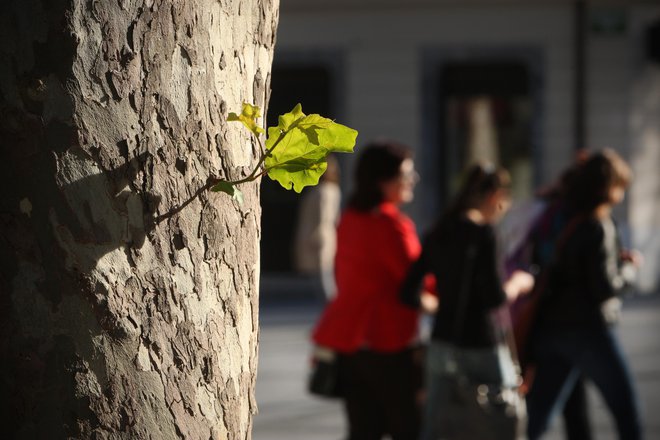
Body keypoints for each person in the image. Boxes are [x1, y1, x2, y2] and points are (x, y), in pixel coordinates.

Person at [400, 163, 534, 440]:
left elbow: (408, 291)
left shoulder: (439, 230)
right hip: (483, 343)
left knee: (439, 426)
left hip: (442, 341)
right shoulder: (485, 233)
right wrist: (519, 283)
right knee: (494, 422)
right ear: (496, 196)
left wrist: (438, 305)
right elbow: (494, 297)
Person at [525, 149, 643, 440]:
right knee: (626, 411)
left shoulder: (559, 214)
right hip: (588, 330)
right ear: (608, 188)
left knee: (538, 417)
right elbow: (603, 287)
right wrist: (629, 272)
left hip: (551, 327)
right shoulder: (596, 224)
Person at [311, 140, 426, 439]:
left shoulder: (350, 218)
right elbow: (417, 278)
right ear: (383, 180)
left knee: (364, 429)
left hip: (349, 338)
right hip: (388, 338)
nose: (413, 180)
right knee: (408, 426)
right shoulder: (390, 224)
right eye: (406, 174)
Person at [293, 154, 341, 301]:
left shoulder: (323, 191)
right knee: (324, 281)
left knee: (325, 282)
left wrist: (316, 239)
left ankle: (334, 315)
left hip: (318, 240)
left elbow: (324, 218)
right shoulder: (331, 189)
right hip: (323, 238)